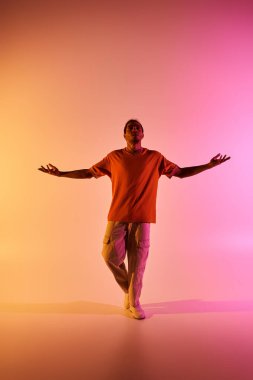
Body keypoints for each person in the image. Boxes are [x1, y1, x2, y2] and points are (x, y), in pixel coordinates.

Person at [38, 119, 230, 319]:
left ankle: (134, 302)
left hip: (142, 218)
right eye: (130, 128)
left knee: (137, 265)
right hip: (117, 216)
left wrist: (208, 166)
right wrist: (60, 174)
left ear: (143, 134)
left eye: (138, 127)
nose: (134, 130)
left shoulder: (155, 158)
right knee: (109, 256)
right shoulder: (114, 157)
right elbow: (88, 173)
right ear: (124, 135)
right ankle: (130, 294)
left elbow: (180, 173)